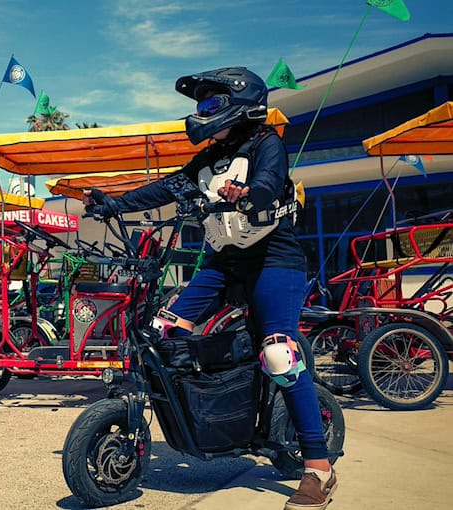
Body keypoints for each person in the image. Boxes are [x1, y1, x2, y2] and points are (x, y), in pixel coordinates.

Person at [83, 67, 337, 510]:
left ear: (242, 104)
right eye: (200, 106)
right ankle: (221, 409)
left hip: (274, 260)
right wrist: (114, 203)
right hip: (224, 264)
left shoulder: (266, 143)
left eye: (211, 104)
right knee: (163, 333)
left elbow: (269, 183)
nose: (201, 114)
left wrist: (249, 193)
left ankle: (319, 468)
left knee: (280, 353)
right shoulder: (208, 159)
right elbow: (167, 187)